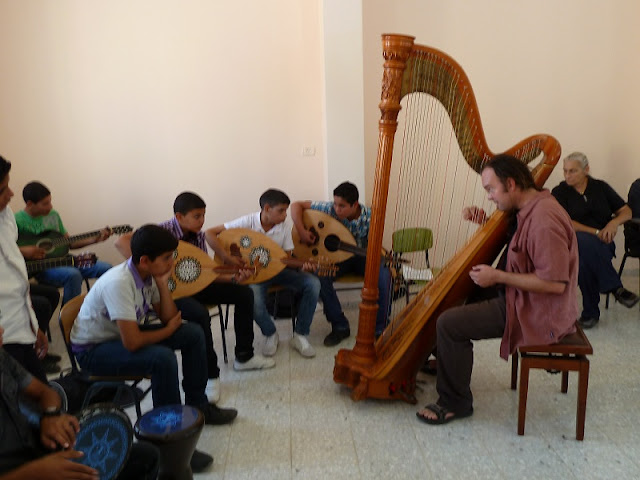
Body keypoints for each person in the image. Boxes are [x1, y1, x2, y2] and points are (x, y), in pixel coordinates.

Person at [416, 154, 579, 425]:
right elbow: (520, 245)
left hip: (536, 310)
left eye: (491, 189)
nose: (489, 196)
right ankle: (446, 362)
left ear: (511, 184)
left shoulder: (544, 219)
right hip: (520, 296)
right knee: (454, 297)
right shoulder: (530, 207)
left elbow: (554, 283)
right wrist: (485, 223)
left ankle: (455, 402)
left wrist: (498, 276)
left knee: (449, 323)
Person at [70, 224, 238, 430]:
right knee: (162, 359)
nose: (172, 262)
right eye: (166, 258)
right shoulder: (119, 283)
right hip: (92, 350)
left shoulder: (148, 274)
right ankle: (170, 428)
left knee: (193, 333)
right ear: (144, 261)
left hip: (118, 336)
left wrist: (162, 284)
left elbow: (168, 317)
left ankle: (199, 405)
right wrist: (167, 331)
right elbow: (133, 342)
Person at [114, 192, 275, 404]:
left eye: (203, 215)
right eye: (197, 216)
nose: (202, 221)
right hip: (169, 292)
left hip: (195, 285)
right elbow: (121, 241)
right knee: (200, 315)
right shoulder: (162, 232)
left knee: (244, 293)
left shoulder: (198, 235)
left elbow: (203, 272)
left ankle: (244, 356)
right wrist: (152, 270)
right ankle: (211, 376)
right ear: (179, 217)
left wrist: (233, 278)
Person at [0, 325, 161, 479]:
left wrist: (51, 415)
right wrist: (36, 473)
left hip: (37, 454)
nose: (2, 330)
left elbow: (44, 392)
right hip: (24, 472)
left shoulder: (2, 358)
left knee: (145, 457)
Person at [208, 189, 321, 358]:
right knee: (253, 299)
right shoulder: (248, 222)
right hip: (254, 276)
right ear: (267, 208)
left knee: (313, 283)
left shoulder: (284, 227)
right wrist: (226, 257)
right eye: (281, 211)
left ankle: (300, 335)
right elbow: (209, 233)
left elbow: (286, 259)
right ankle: (270, 333)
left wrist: (301, 266)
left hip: (278, 272)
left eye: (286, 210)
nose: (285, 215)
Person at [291, 181, 392, 346]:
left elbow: (375, 245)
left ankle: (380, 327)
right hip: (337, 260)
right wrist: (302, 231)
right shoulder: (329, 208)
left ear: (355, 205)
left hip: (361, 257)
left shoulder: (371, 216)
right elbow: (296, 205)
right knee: (319, 276)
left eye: (342, 206)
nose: (337, 209)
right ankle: (340, 326)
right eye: (335, 204)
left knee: (384, 275)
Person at [552, 152, 639, 329]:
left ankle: (591, 313)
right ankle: (615, 288)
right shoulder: (559, 192)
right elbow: (567, 222)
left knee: (584, 261)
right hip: (572, 244)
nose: (567, 175)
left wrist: (613, 224)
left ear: (586, 170)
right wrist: (597, 231)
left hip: (602, 243)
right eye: (565, 171)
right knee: (581, 242)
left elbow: (627, 211)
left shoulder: (600, 187)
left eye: (573, 171)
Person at [15, 181, 112, 305]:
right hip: (40, 268)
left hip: (64, 259)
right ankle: (68, 316)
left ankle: (98, 310)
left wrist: (94, 240)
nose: (50, 207)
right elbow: (7, 248)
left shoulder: (53, 215)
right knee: (73, 275)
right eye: (45, 204)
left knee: (107, 268)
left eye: (50, 201)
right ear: (29, 204)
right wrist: (25, 251)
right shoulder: (16, 220)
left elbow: (69, 243)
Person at [0, 155, 50, 384]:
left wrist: (33, 326)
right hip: (5, 338)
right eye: (2, 190)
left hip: (20, 327)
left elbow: (17, 279)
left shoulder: (6, 215)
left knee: (46, 395)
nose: (11, 194)